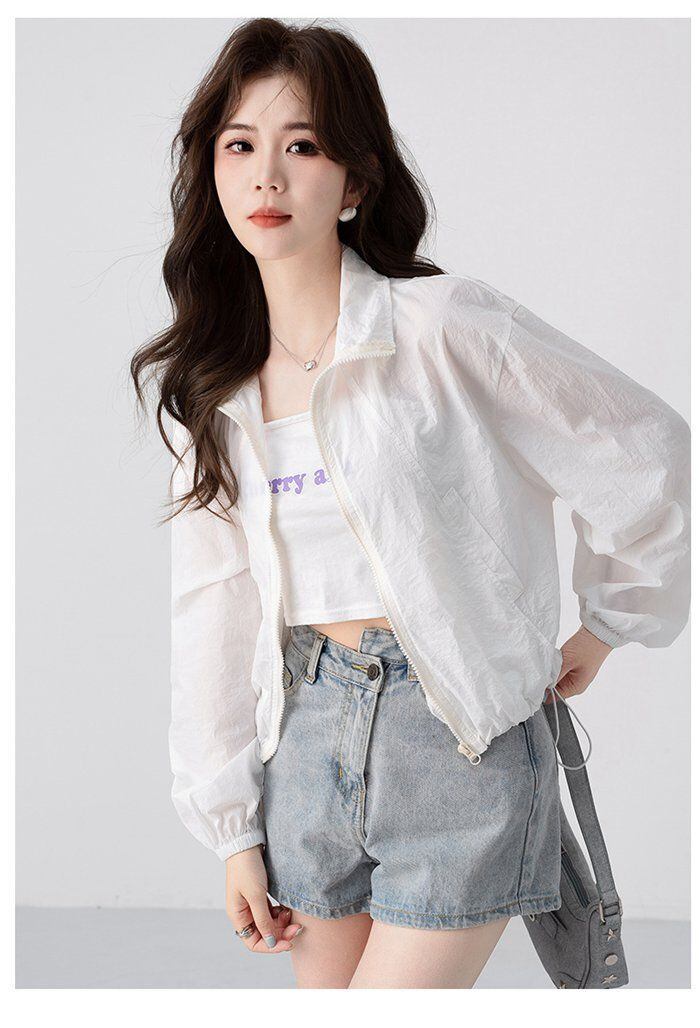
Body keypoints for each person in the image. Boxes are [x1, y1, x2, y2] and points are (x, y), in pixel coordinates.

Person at [130, 18, 691, 989]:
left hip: (456, 741)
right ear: (211, 172)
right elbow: (211, 613)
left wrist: (607, 624)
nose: (267, 176)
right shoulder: (211, 390)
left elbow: (643, 449)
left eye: (303, 146)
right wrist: (232, 831)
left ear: (355, 181)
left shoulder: (443, 326)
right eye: (240, 146)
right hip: (301, 741)